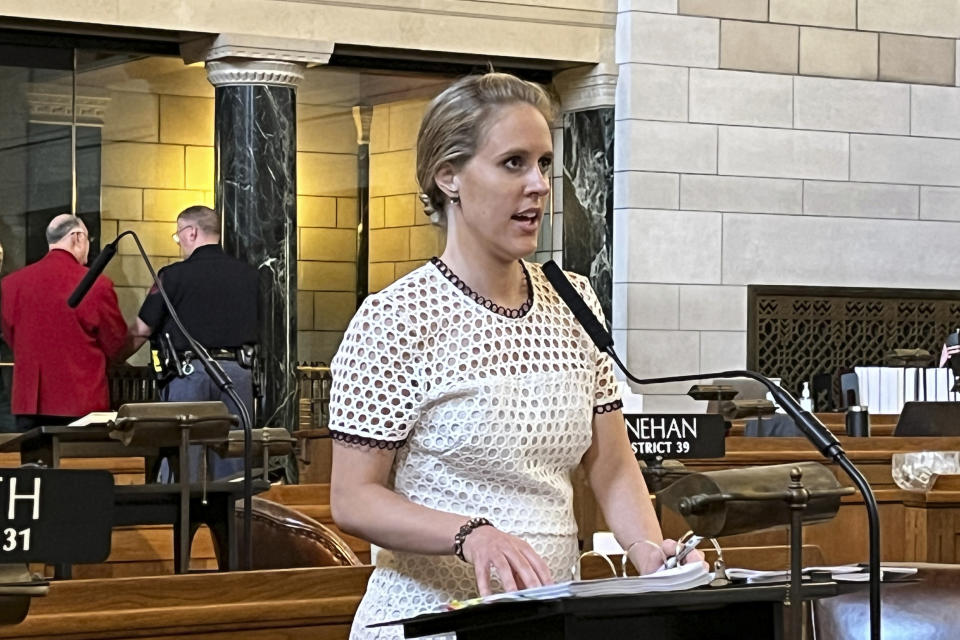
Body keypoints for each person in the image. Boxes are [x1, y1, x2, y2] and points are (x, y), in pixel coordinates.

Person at [328, 73, 700, 639]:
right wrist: (471, 533)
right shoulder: (396, 318)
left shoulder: (575, 301)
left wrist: (646, 549)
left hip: (548, 618)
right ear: (448, 176)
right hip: (429, 619)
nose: (539, 184)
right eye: (513, 163)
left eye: (545, 163)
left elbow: (611, 462)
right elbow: (354, 498)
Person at [126, 205, 259, 480]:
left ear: (191, 232)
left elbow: (141, 329)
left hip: (190, 375)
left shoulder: (172, 275)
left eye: (178, 236)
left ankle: (177, 519)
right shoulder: (250, 275)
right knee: (233, 461)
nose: (180, 243)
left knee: (182, 460)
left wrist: (113, 357)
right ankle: (233, 518)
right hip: (239, 374)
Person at [0, 214, 127, 430]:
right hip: (81, 401)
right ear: (77, 237)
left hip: (29, 401)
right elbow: (115, 344)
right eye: (88, 239)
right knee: (79, 464)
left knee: (32, 464)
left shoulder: (11, 284)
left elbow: (12, 339)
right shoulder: (96, 284)